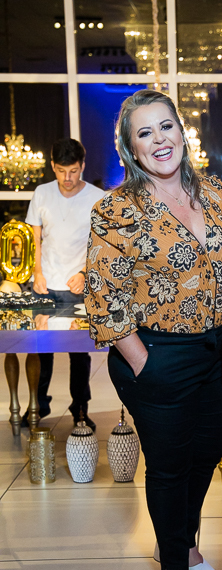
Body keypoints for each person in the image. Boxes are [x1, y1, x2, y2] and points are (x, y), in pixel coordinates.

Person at [84, 90, 222, 570]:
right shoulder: (116, 210)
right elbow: (103, 295)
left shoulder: (216, 194)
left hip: (213, 349)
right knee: (169, 465)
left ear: (182, 131)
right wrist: (142, 360)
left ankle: (184, 544)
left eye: (166, 126)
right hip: (155, 351)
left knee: (209, 448)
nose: (159, 140)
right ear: (131, 148)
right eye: (144, 133)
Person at [24, 138, 103, 429]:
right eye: (60, 171)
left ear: (82, 166)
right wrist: (37, 273)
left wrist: (84, 273)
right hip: (44, 285)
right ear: (52, 166)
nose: (67, 178)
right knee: (40, 350)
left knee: (79, 354)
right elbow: (34, 238)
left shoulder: (96, 197)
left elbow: (101, 244)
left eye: (73, 171)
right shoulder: (42, 193)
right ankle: (37, 406)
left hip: (77, 287)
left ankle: (80, 409)